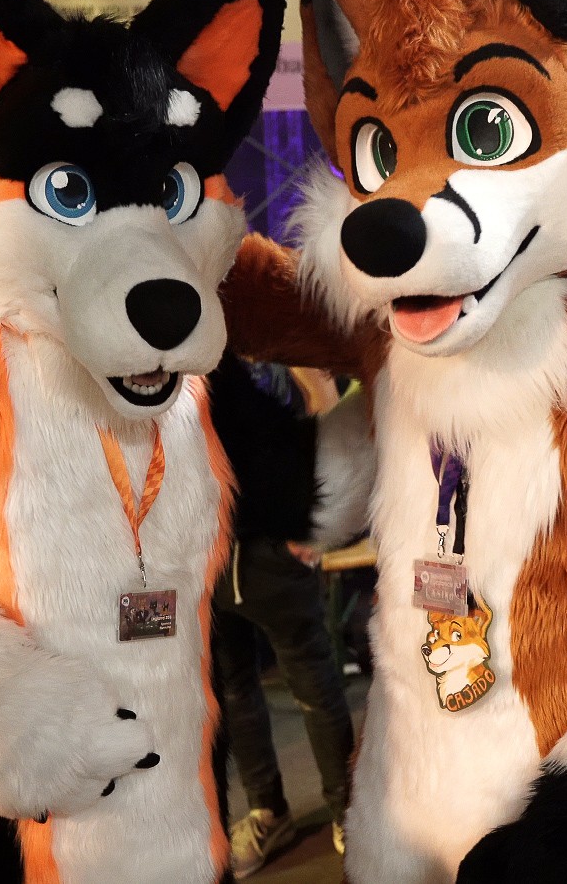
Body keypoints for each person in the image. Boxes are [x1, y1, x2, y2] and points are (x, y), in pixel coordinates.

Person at [207, 353, 366, 877]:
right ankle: (267, 811)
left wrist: (311, 527)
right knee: (233, 692)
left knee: (315, 687)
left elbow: (321, 416)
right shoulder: (210, 367)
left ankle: (346, 808)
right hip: (211, 553)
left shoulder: (280, 361)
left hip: (273, 550)